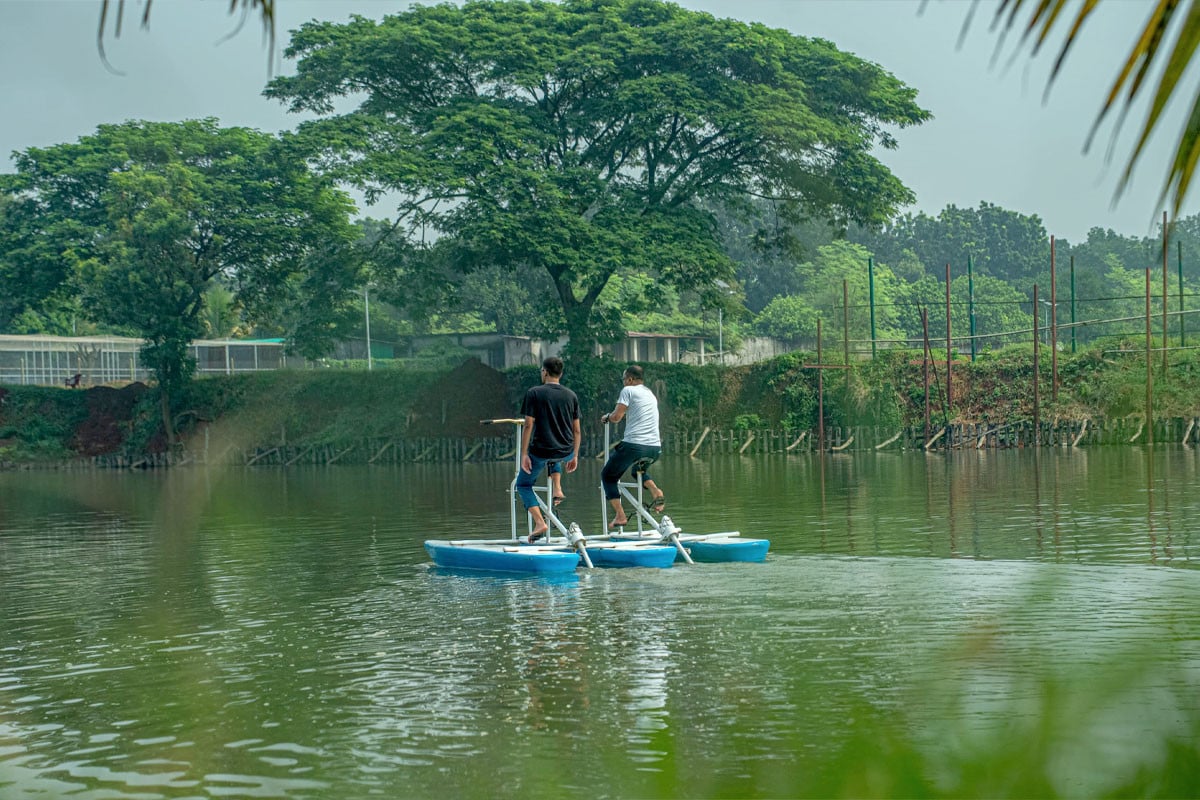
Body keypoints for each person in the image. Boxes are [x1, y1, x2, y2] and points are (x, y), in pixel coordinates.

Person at [518, 356, 580, 542]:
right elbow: (576, 429)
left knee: (523, 484)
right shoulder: (571, 395)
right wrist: (575, 455)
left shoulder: (534, 393)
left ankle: (539, 522)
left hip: (542, 450)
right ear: (560, 374)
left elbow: (528, 425)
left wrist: (523, 454)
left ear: (544, 371)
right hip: (565, 450)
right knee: (555, 457)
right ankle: (557, 488)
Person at [599, 364, 665, 528]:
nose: (623, 383)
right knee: (638, 471)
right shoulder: (649, 393)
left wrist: (606, 417)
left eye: (623, 380)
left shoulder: (628, 391)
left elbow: (616, 417)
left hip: (634, 445)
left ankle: (620, 516)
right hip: (655, 448)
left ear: (629, 379)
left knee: (608, 476)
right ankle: (656, 491)